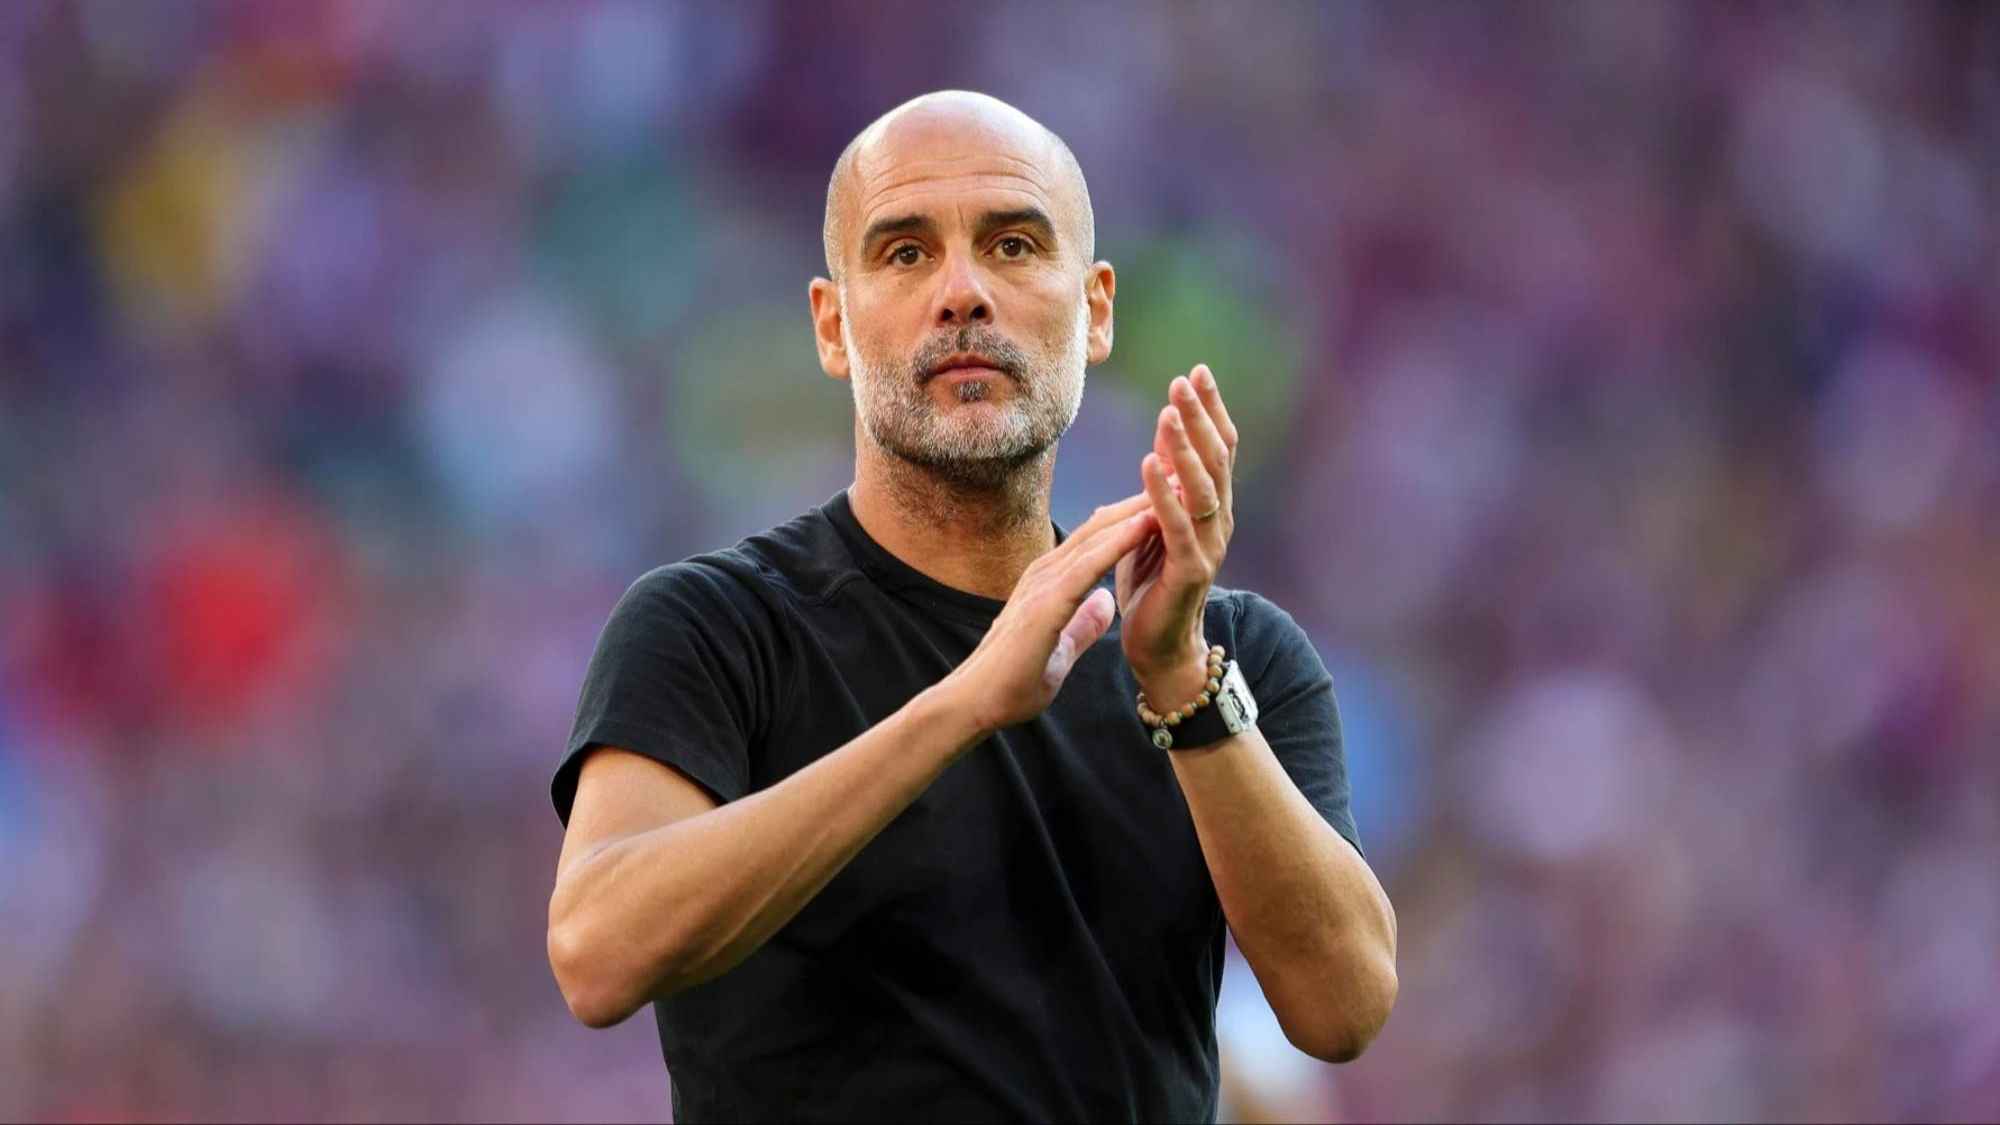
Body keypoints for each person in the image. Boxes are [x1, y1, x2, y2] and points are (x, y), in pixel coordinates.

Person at [545, 90, 1398, 1123]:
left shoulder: (1228, 656)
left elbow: (1343, 1007)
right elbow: (598, 952)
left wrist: (1180, 682)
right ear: (832, 325)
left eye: (1012, 246)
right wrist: (962, 705)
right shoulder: (716, 627)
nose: (961, 294)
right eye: (905, 253)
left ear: (1095, 311)